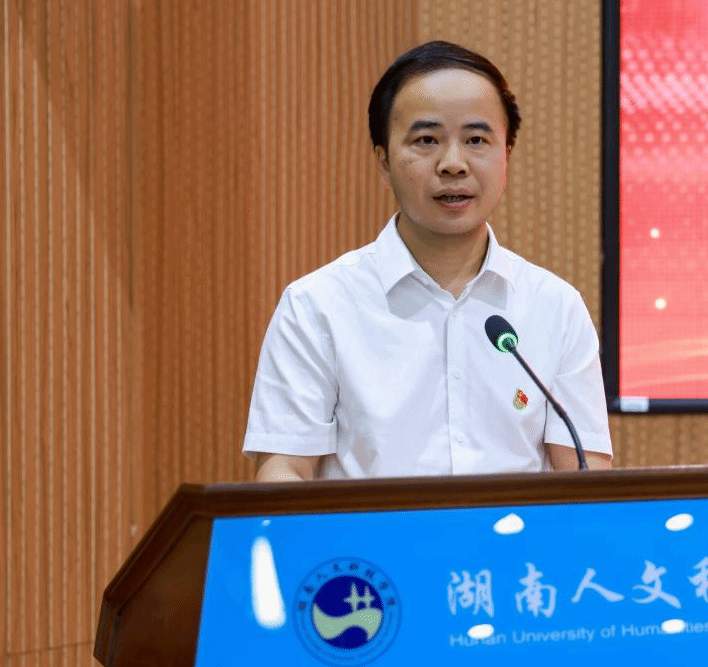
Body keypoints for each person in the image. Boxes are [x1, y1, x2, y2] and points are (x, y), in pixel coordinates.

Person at [243, 41, 613, 481]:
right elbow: (284, 470)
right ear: (383, 161)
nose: (453, 164)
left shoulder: (555, 308)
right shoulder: (316, 307)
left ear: (506, 154)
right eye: (426, 140)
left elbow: (584, 476)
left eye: (476, 140)